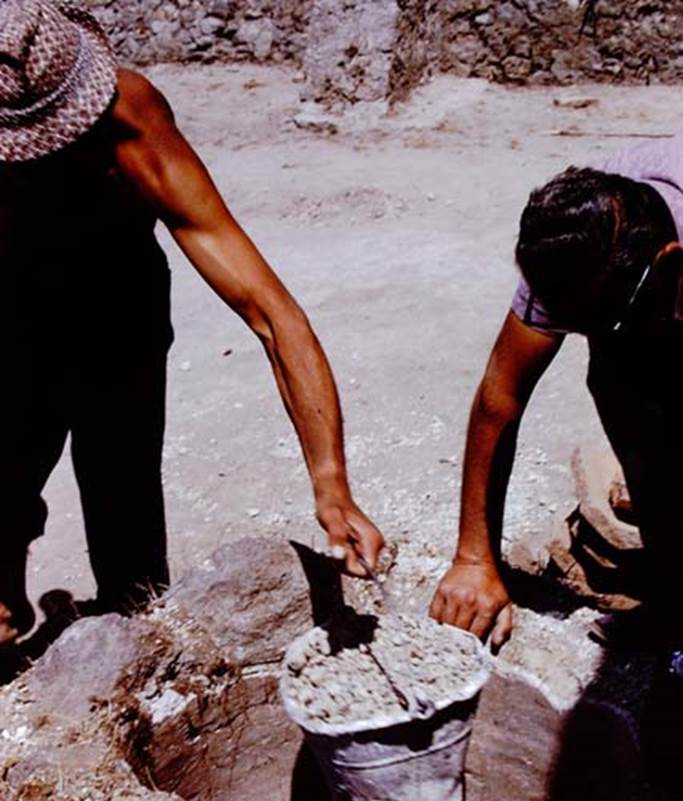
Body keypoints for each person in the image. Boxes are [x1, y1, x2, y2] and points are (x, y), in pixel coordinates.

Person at [0, 0, 383, 645]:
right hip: (11, 321)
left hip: (119, 316)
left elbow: (271, 311)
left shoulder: (131, 124)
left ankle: (127, 657)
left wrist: (331, 483)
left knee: (130, 553)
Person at [430, 143, 683, 652]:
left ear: (669, 266)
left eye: (602, 325)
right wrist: (475, 559)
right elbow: (501, 397)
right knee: (623, 383)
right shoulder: (574, 249)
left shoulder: (636, 253)